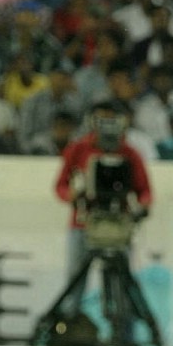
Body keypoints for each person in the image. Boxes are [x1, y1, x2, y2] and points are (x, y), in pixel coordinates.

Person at [54, 100, 152, 281]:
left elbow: (144, 190)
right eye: (102, 118)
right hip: (84, 223)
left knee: (120, 279)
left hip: (118, 223)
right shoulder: (77, 149)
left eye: (111, 118)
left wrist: (142, 207)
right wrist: (72, 195)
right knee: (75, 277)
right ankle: (71, 309)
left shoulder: (131, 153)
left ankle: (120, 309)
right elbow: (60, 185)